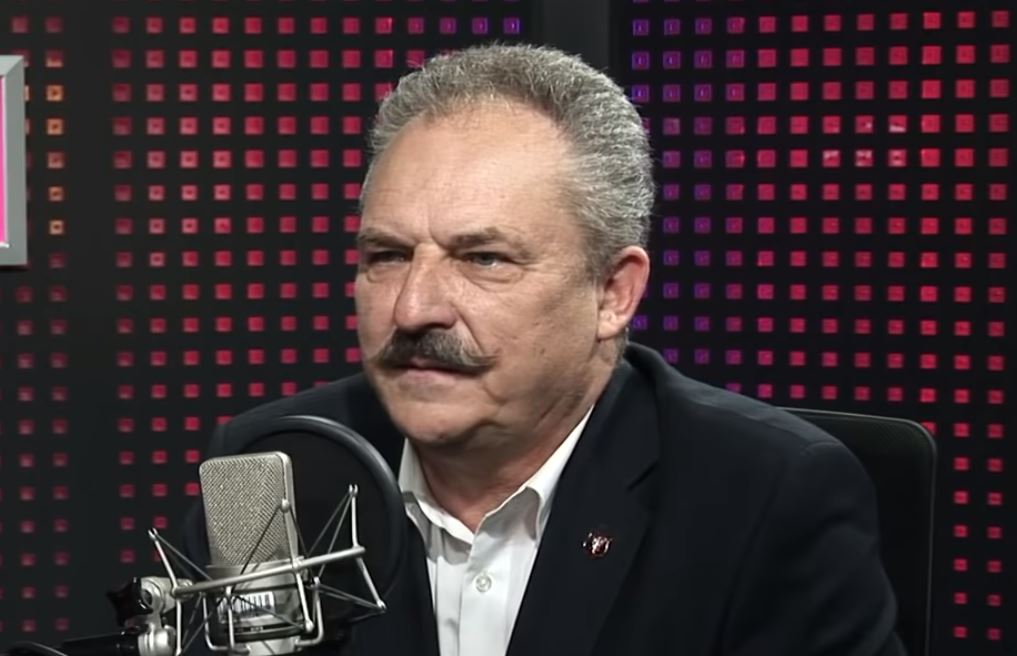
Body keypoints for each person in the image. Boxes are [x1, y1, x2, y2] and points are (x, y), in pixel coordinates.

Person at [185, 44, 904, 655]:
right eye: (388, 255)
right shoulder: (273, 469)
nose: (412, 308)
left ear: (612, 293)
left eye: (484, 258)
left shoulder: (764, 496)